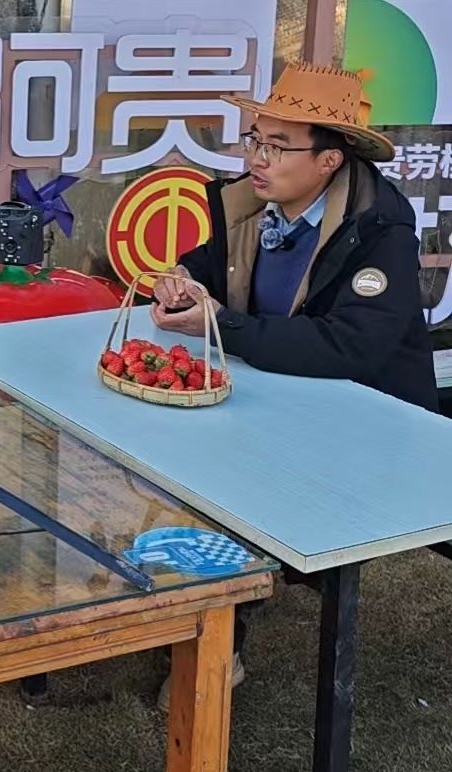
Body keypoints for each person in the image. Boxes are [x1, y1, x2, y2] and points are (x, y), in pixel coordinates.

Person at [151, 62, 438, 710]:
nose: (257, 158)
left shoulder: (378, 229)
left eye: (278, 147)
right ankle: (201, 624)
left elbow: (351, 346)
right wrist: (181, 283)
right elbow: (207, 267)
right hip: (273, 401)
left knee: (223, 482)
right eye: (255, 139)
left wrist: (224, 325)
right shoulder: (251, 206)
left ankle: (219, 646)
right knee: (174, 459)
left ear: (329, 161)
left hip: (364, 427)